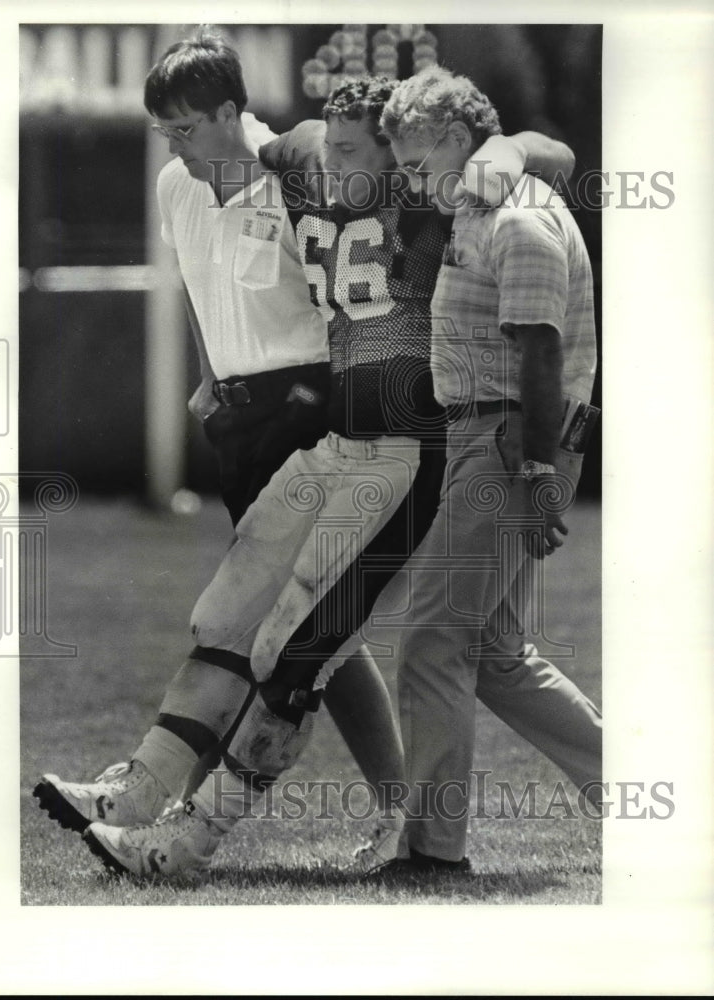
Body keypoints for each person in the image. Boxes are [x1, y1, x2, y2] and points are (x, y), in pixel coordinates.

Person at [59, 75, 597, 883]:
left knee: (311, 649)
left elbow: (548, 159)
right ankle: (141, 792)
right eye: (336, 146)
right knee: (228, 618)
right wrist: (198, 144)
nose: (343, 162)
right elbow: (248, 146)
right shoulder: (317, 157)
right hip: (343, 444)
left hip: (417, 451)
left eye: (366, 152)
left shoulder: (445, 196)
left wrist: (511, 146)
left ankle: (196, 841)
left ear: (404, 153)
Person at [33, 30, 406, 834]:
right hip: (239, 416)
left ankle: (145, 792)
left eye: (188, 128)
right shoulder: (176, 186)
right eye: (164, 131)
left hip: (306, 408)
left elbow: (347, 304)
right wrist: (208, 380)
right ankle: (400, 812)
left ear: (233, 111)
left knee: (253, 627)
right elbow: (201, 290)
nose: (176, 146)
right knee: (299, 634)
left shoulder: (299, 177)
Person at [374, 65, 602, 873]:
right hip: (496, 441)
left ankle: (432, 851)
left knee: (433, 638)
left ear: (460, 141)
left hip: (509, 445)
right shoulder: (483, 201)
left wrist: (538, 471)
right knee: (495, 653)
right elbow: (553, 152)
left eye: (412, 161)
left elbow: (538, 353)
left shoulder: (515, 219)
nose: (407, 179)